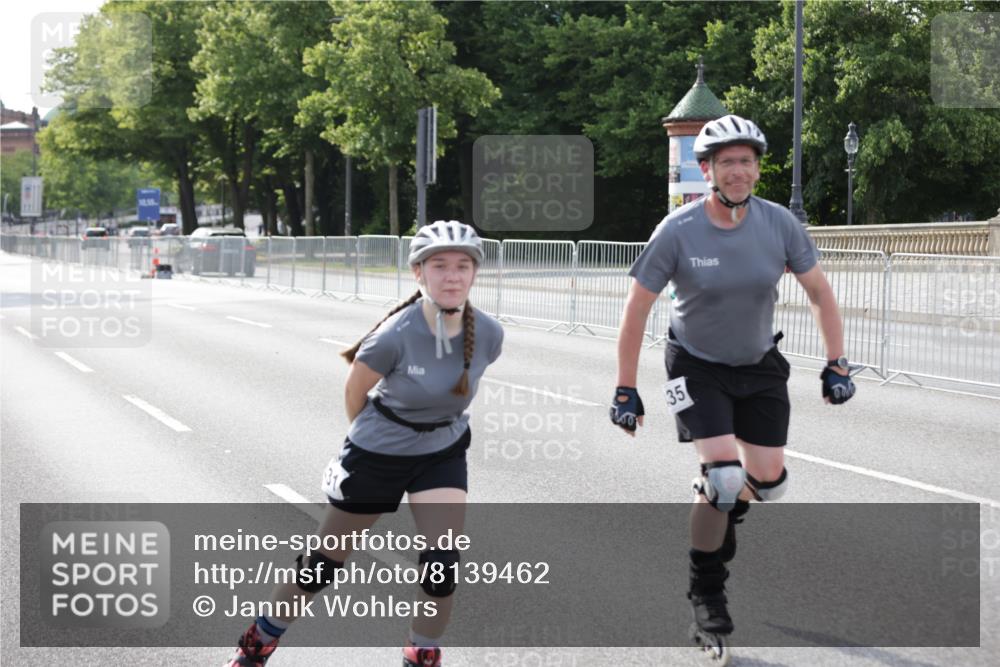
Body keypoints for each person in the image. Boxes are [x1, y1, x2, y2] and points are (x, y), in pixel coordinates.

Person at [609, 115, 856, 644]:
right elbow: (636, 311)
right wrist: (625, 388)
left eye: (747, 161)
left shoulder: (779, 224)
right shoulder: (676, 231)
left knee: (770, 482)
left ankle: (724, 510)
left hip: (760, 364)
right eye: (727, 162)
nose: (739, 171)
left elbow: (819, 292)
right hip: (695, 365)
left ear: (757, 169)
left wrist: (836, 362)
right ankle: (706, 594)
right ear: (707, 170)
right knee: (722, 477)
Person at [228, 220, 504, 666]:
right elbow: (355, 395)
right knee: (322, 564)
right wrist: (374, 448)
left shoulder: (489, 333)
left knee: (442, 567)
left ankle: (421, 653)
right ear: (419, 273)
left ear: (475, 273)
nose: (452, 276)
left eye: (462, 266)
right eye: (439, 266)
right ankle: (259, 642)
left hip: (442, 451)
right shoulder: (395, 334)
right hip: (377, 453)